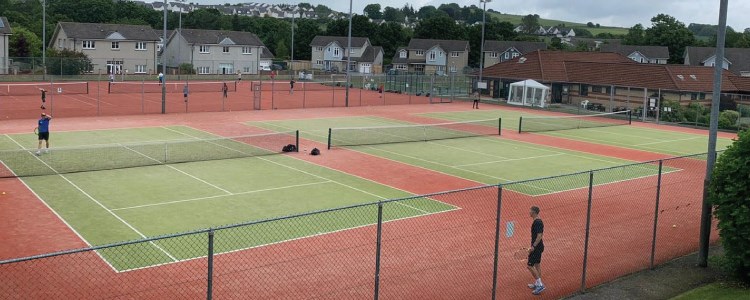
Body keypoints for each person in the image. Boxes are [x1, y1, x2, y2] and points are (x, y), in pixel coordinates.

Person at [527, 206, 545, 295]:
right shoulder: (537, 221)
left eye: (530, 210)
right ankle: (538, 283)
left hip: (536, 247)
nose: (529, 212)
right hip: (538, 246)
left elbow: (539, 235)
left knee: (529, 266)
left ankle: (540, 285)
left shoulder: (537, 222)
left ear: (533, 212)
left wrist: (533, 246)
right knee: (537, 265)